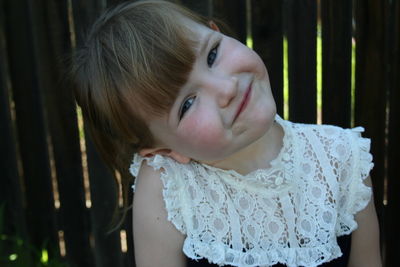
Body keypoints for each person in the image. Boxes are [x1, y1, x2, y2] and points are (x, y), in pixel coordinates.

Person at [71, 0, 382, 266]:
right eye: (188, 104)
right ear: (164, 150)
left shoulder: (342, 159)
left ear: (216, 32)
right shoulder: (168, 190)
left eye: (211, 55)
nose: (226, 88)